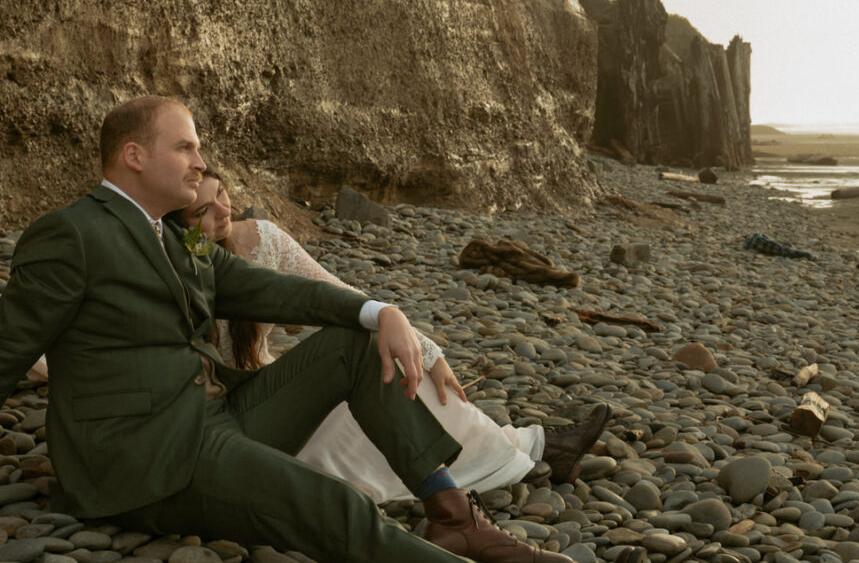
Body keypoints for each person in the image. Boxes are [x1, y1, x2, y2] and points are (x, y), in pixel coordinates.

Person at [0, 97, 646, 563]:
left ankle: (451, 513)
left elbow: (261, 287)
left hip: (205, 424)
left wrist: (376, 310)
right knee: (329, 505)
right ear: (133, 155)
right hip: (140, 461)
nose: (198, 162)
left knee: (354, 346)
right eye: (185, 147)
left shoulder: (174, 237)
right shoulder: (71, 234)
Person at [180, 169, 610, 507]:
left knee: (400, 372)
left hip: (277, 382)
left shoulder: (261, 238)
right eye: (204, 210)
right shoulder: (177, 267)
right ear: (180, 225)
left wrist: (427, 351)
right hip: (243, 420)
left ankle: (535, 446)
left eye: (223, 194)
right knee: (353, 424)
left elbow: (342, 296)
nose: (222, 210)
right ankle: (529, 452)